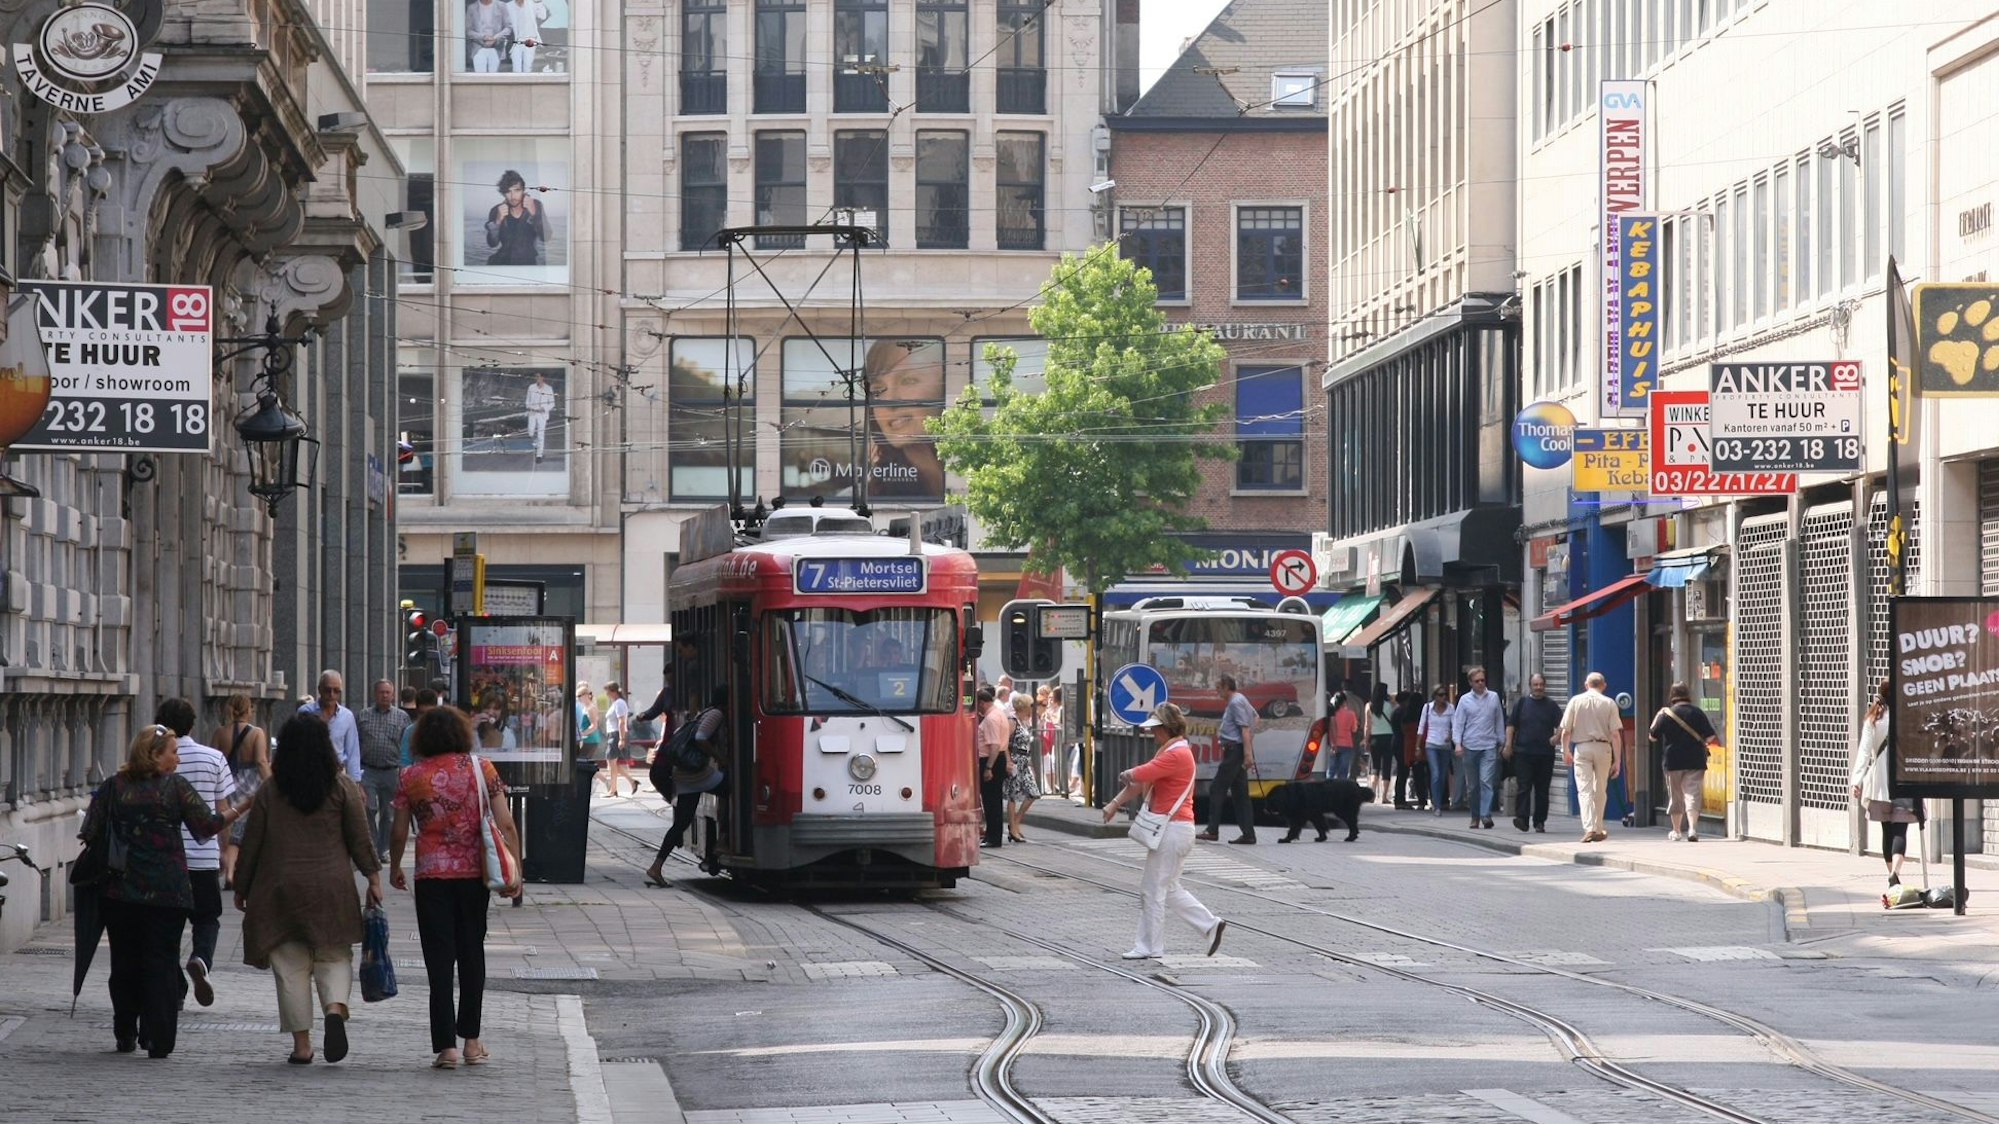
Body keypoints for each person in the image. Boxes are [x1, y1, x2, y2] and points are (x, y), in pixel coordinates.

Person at [81, 725, 250, 1057]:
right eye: (173, 751)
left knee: (125, 961)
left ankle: (126, 1030)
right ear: (154, 755)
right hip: (167, 893)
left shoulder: (114, 787)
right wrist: (242, 807)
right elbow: (207, 827)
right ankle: (159, 1037)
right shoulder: (175, 788)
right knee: (161, 962)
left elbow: (89, 831)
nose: (178, 756)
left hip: (120, 892)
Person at [234, 715, 383, 1065]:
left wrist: (242, 885)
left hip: (280, 889)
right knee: (333, 956)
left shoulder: (270, 791)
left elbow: (252, 842)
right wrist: (373, 878)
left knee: (290, 966)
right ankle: (334, 1007)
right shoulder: (341, 786)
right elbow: (360, 838)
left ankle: (302, 1046)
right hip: (332, 886)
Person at [390, 707, 523, 1069]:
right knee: (471, 953)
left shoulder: (411, 776)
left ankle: (445, 1047)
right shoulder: (482, 769)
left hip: (431, 877)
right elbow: (506, 823)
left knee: (438, 959)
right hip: (473, 875)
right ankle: (472, 1041)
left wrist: (395, 865)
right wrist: (516, 870)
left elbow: (399, 829)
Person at [1101, 703, 1227, 961]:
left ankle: (1150, 947)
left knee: (1152, 890)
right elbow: (1144, 782)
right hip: (1176, 830)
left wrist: (1128, 772)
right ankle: (1209, 925)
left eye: (1156, 729)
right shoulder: (1170, 751)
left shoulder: (1176, 754)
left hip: (1172, 830)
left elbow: (1143, 774)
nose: (1153, 733)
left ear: (1167, 728)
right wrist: (1115, 803)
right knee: (1167, 888)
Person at [154, 697, 238, 1012]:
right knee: (206, 918)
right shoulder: (213, 757)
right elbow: (222, 811)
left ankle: (174, 988)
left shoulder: (154, 760)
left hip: (166, 859)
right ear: (193, 724)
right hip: (202, 857)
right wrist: (224, 853)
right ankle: (201, 958)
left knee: (168, 927)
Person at [644, 687, 730, 886]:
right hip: (697, 774)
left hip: (684, 775)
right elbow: (700, 737)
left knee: (681, 822)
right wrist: (720, 758)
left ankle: (656, 867)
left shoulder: (706, 712)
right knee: (732, 790)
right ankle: (722, 841)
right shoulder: (716, 714)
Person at [1851, 679, 1920, 885]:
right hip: (1904, 777)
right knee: (1901, 828)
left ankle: (1891, 874)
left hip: (1880, 782)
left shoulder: (1873, 719)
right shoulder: (1908, 717)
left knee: (1887, 829)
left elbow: (1864, 752)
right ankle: (1895, 872)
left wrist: (1857, 781)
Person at [862, 339, 946, 500]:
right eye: (878, 390)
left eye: (908, 380)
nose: (890, 401)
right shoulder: (865, 496)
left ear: (943, 388)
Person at [1559, 672, 1626, 843]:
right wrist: (1617, 761)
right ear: (1603, 685)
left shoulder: (1575, 701)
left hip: (1582, 747)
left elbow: (1566, 731)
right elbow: (1615, 734)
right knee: (1600, 789)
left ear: (1586, 684)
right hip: (1604, 747)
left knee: (1584, 789)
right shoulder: (1609, 703)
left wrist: (1565, 751)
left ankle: (1589, 827)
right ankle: (1598, 826)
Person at [1651, 682, 1720, 842]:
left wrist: (1658, 715)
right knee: (1693, 794)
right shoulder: (1697, 712)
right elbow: (1710, 737)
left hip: (1673, 759)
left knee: (1675, 796)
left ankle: (1676, 831)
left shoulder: (1666, 714)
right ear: (1687, 694)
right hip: (1695, 759)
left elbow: (1652, 736)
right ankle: (1692, 829)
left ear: (1672, 695)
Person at [213, 693, 269, 889]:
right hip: (250, 783)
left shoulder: (220, 733)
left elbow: (215, 760)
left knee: (228, 824)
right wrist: (271, 783)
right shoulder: (257, 733)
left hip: (227, 781)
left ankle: (229, 871)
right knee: (245, 827)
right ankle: (240, 870)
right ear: (248, 710)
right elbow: (261, 761)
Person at [1197, 675, 1257, 845]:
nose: (1217, 691)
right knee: (1240, 793)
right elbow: (1255, 718)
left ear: (1226, 687)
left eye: (1218, 688)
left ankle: (1212, 829)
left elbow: (1245, 728)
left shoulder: (1235, 702)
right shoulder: (1241, 699)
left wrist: (1247, 754)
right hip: (1236, 750)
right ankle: (1248, 834)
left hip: (1234, 751)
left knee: (1217, 787)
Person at [356, 679, 412, 861]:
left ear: (393, 695)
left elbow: (407, 745)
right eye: (381, 692)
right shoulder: (363, 716)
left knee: (388, 814)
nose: (385, 695)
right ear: (375, 694)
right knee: (368, 809)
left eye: (388, 692)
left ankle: (384, 850)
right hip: (368, 770)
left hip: (392, 771)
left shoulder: (402, 717)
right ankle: (371, 847)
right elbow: (355, 743)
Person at [1505, 674, 1564, 833]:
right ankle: (1522, 819)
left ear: (1545, 686)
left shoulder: (1551, 706)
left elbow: (1563, 724)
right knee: (1523, 787)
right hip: (1524, 753)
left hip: (1545, 754)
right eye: (1535, 684)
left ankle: (1539, 821)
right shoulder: (1522, 703)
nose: (1538, 687)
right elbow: (1511, 725)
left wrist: (1557, 736)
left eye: (1541, 684)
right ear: (1530, 685)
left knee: (1542, 789)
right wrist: (1508, 745)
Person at [1452, 667, 1505, 830]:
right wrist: (1458, 744)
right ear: (1470, 683)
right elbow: (1458, 724)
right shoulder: (1464, 700)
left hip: (1489, 746)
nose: (1481, 683)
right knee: (1473, 786)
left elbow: (1498, 720)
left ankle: (1485, 815)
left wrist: (1502, 741)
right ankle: (1475, 816)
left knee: (1486, 782)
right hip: (1470, 746)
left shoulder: (1494, 697)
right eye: (1477, 681)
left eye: (1483, 680)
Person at [298, 670, 362, 780]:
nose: (331, 695)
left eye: (336, 691)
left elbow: (353, 752)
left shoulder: (347, 716)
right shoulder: (305, 712)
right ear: (319, 689)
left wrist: (355, 781)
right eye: (328, 690)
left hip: (337, 775)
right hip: (309, 773)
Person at [485, 170, 547, 267]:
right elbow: (492, 244)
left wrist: (534, 214)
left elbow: (546, 237)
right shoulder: (496, 210)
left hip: (528, 264)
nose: (513, 196)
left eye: (517, 190)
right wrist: (497, 222)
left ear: (523, 190)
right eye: (508, 191)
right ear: (503, 193)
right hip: (502, 263)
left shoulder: (536, 205)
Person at [975, 686, 1009, 848]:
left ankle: (993, 837)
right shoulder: (999, 714)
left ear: (982, 703)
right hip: (998, 759)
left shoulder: (990, 719)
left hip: (990, 760)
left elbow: (994, 745)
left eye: (977, 706)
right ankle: (992, 835)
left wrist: (988, 768)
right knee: (994, 800)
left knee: (991, 801)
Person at [1004, 694, 1042, 843]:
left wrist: (1031, 762)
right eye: (1030, 706)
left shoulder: (1024, 722)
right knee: (1012, 794)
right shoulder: (1012, 721)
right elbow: (1004, 743)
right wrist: (1008, 761)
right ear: (1024, 707)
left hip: (1024, 761)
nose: (1032, 709)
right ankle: (1013, 828)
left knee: (1033, 793)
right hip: (1015, 761)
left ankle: (1016, 821)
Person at [1416, 687, 1455, 817]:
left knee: (1443, 776)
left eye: (1445, 695)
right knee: (1436, 774)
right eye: (1440, 695)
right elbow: (1421, 726)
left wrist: (1452, 735)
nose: (1443, 697)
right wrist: (1417, 746)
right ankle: (1436, 804)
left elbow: (1455, 725)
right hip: (1431, 744)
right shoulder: (1427, 708)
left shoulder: (1450, 709)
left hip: (1445, 745)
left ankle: (1438, 800)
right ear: (1435, 696)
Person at [1391, 689, 1427, 810]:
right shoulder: (1417, 714)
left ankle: (1399, 799)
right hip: (1412, 745)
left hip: (1399, 744)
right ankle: (1422, 799)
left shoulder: (1398, 713)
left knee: (1402, 773)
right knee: (1420, 774)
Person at [600, 682, 634, 798]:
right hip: (614, 734)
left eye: (608, 691)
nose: (607, 694)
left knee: (611, 762)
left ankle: (613, 789)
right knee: (613, 763)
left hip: (616, 734)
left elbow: (621, 721)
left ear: (613, 691)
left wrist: (621, 738)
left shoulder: (619, 703)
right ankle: (631, 782)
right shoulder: (616, 703)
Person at [1367, 683, 1396, 806]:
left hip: (1375, 739)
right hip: (1389, 738)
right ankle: (1384, 796)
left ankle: (1372, 795)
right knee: (1387, 767)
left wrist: (1366, 739)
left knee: (1375, 767)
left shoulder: (1369, 706)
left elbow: (1367, 726)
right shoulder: (1390, 705)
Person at [505, 0, 550, 72]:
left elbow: (542, 16)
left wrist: (539, 3)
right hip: (516, 41)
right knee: (516, 69)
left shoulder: (531, 3)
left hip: (530, 39)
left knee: (527, 67)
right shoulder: (508, 6)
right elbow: (506, 23)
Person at [400, 688, 439, 766]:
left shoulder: (446, 729)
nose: (426, 717)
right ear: (417, 711)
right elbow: (405, 760)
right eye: (422, 713)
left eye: (430, 713)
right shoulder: (410, 731)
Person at [465, 0, 507, 72]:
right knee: (480, 78)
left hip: (497, 47)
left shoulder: (501, 6)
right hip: (478, 48)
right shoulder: (472, 8)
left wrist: (495, 38)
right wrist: (483, 37)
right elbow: (468, 30)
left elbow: (508, 27)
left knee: (494, 79)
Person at [1325, 692, 1359, 780]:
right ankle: (1342, 790)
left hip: (1333, 743)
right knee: (1343, 771)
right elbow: (1354, 729)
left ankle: (1329, 790)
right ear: (1344, 702)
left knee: (1331, 771)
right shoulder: (1351, 714)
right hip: (1347, 744)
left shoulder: (1332, 713)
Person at [524, 372, 556, 462]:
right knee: (530, 432)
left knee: (541, 435)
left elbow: (552, 403)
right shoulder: (531, 387)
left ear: (542, 378)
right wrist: (530, 407)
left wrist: (544, 408)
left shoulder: (549, 389)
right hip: (532, 413)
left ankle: (539, 455)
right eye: (536, 377)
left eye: (538, 377)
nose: (537, 378)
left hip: (542, 415)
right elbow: (527, 401)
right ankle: (535, 445)